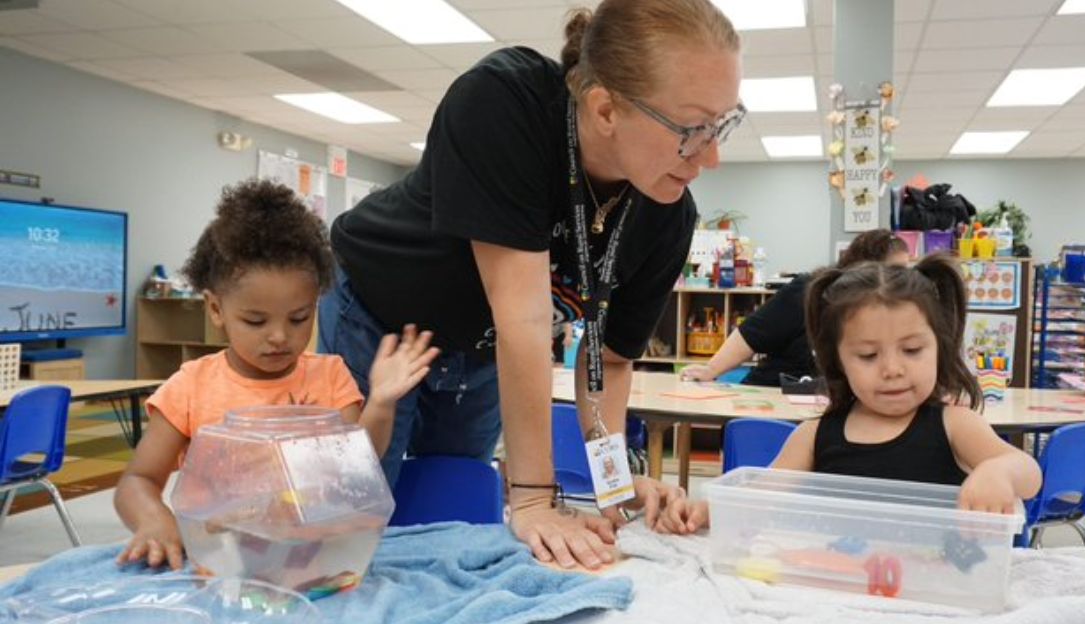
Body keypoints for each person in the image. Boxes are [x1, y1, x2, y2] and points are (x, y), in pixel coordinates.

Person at [321, 0, 745, 569]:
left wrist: (615, 487)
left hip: (482, 348)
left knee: (451, 513)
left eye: (721, 125)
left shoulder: (667, 213)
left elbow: (608, 361)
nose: (711, 157)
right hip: (382, 320)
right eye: (692, 130)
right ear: (605, 109)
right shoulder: (505, 102)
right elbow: (522, 320)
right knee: (353, 517)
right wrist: (533, 499)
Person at [113, 179, 437, 570]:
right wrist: (154, 521)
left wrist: (382, 402)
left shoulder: (330, 376)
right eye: (256, 321)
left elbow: (357, 467)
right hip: (222, 561)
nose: (280, 336)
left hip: (313, 560)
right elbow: (138, 481)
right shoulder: (190, 387)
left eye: (299, 318)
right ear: (215, 309)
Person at [659, 255, 1042, 533]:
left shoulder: (956, 425)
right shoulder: (815, 435)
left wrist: (998, 471)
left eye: (912, 350)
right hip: (842, 592)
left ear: (939, 347)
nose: (892, 369)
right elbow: (762, 495)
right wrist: (710, 510)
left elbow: (1030, 474)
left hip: (932, 593)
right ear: (837, 360)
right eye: (868, 355)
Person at [681, 229, 910, 386]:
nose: (900, 281)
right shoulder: (809, 291)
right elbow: (750, 335)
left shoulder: (887, 314)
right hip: (774, 400)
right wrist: (711, 370)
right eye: (894, 272)